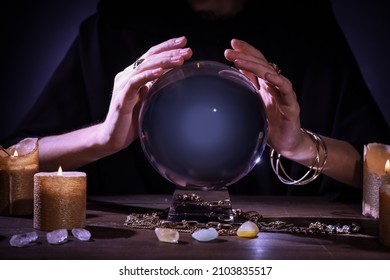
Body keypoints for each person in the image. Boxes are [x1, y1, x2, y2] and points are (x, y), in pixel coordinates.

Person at [2, 0, 389, 201]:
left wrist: (300, 146)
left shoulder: (308, 31)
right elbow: (8, 167)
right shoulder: (113, 30)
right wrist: (103, 138)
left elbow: (381, 176)